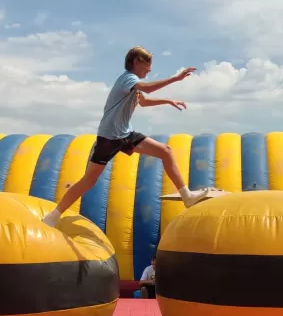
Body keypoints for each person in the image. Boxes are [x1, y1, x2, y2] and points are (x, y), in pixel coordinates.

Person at [43, 47, 209, 228]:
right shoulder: (128, 79)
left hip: (125, 134)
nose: (150, 70)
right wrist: (176, 78)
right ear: (136, 62)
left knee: (165, 151)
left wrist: (168, 101)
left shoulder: (134, 86)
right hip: (109, 136)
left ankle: (186, 196)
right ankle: (54, 215)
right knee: (89, 180)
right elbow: (149, 89)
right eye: (147, 65)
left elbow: (144, 102)